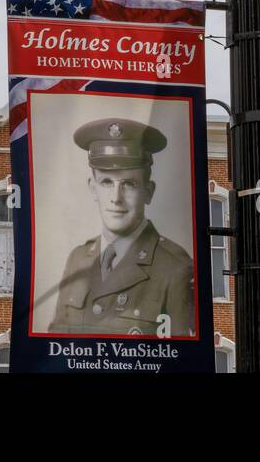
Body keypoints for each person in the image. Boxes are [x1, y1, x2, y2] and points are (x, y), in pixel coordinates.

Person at [48, 117, 195, 336]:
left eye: (129, 184)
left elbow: (181, 359)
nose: (116, 198)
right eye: (106, 182)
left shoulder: (175, 267)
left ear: (148, 191)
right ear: (93, 188)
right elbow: (53, 349)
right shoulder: (77, 259)